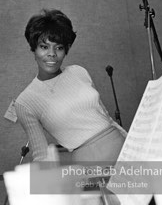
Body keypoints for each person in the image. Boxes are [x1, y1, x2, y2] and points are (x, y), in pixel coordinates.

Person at [15, 9, 127, 163]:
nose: (52, 54)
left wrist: (130, 142)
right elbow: (41, 156)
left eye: (59, 47)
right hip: (92, 165)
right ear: (33, 49)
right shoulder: (25, 102)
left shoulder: (79, 72)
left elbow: (105, 116)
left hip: (125, 150)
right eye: (44, 46)